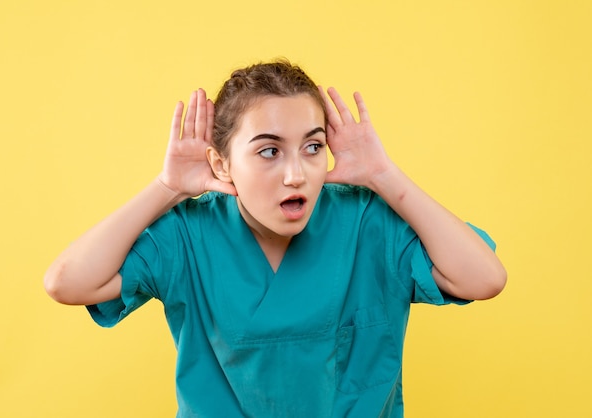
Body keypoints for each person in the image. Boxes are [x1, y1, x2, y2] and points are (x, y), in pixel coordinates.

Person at [44, 60, 506, 417]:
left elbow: (483, 278)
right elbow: (67, 283)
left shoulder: (368, 221)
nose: (295, 174)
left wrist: (385, 176)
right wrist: (165, 189)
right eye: (269, 151)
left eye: (312, 148)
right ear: (222, 165)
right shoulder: (188, 233)